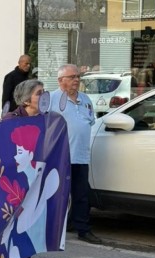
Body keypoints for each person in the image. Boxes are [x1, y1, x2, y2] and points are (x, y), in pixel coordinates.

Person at [0, 79, 50, 258]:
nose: (44, 96)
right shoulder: (12, 120)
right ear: (27, 99)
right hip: (16, 186)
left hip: (36, 184)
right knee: (15, 233)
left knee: (31, 231)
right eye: (40, 93)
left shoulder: (46, 119)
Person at [50, 64, 101, 245]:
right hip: (60, 156)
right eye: (72, 77)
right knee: (58, 194)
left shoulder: (85, 99)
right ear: (60, 80)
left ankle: (83, 229)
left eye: (78, 76)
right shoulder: (51, 99)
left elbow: (89, 121)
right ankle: (53, 230)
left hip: (80, 156)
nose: (76, 80)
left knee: (81, 194)